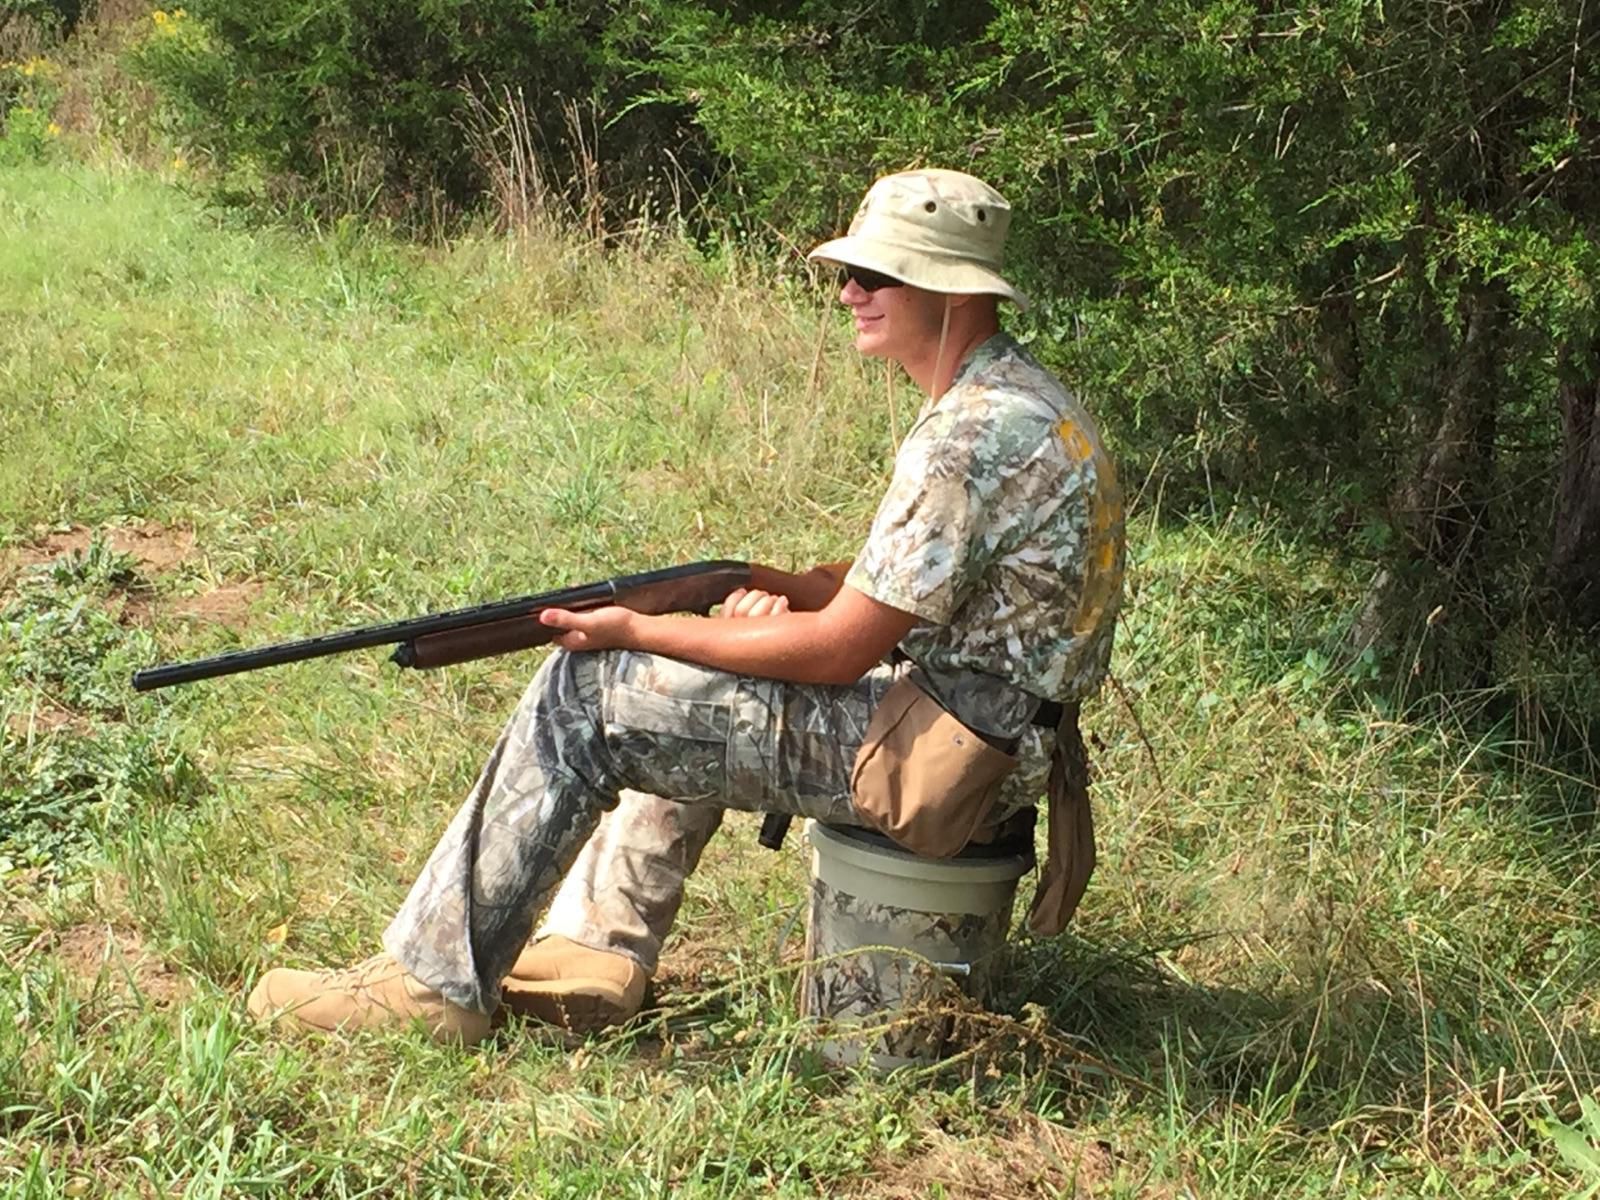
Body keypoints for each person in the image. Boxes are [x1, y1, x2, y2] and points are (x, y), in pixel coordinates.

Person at [247, 168, 1125, 1044]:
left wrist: (647, 628)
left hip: (945, 759)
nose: (851, 293)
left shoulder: (969, 435)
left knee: (589, 694)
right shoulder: (1027, 403)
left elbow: (839, 651)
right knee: (699, 670)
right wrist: (764, 597)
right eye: (848, 275)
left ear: (948, 289)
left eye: (875, 276)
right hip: (985, 735)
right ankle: (598, 952)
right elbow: (900, 597)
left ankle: (437, 988)